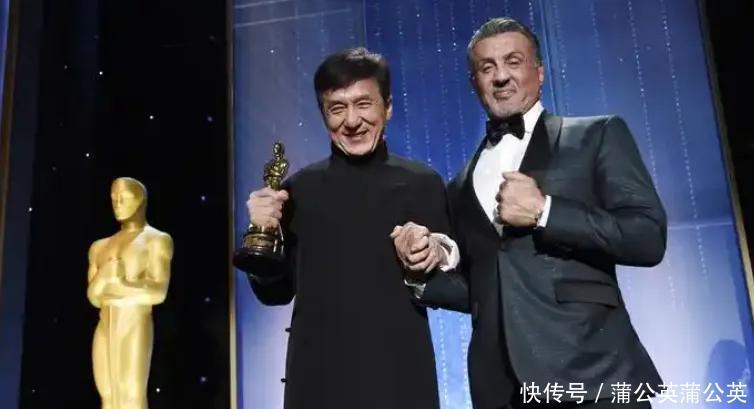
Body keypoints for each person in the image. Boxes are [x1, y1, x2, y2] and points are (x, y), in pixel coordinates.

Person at [392, 17, 667, 409]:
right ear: (474, 83)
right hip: (501, 389)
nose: (501, 76)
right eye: (487, 67)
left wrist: (545, 211)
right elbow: (484, 287)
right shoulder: (458, 186)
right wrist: (422, 273)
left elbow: (647, 236)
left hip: (593, 376)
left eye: (513, 61)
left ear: (539, 72)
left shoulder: (597, 135)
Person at [233, 47, 457, 409]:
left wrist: (430, 256)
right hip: (317, 383)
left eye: (363, 104)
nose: (352, 121)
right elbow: (275, 293)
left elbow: (452, 287)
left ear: (388, 107)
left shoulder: (423, 184)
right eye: (337, 108)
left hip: (401, 379)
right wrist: (261, 232)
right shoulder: (296, 191)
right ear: (323, 115)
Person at [87, 177, 173, 409]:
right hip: (105, 323)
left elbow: (158, 292)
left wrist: (120, 283)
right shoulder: (99, 247)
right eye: (113, 198)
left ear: (140, 199)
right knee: (107, 394)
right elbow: (94, 297)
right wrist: (104, 276)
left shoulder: (156, 240)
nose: (117, 203)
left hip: (134, 321)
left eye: (124, 197)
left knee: (132, 393)